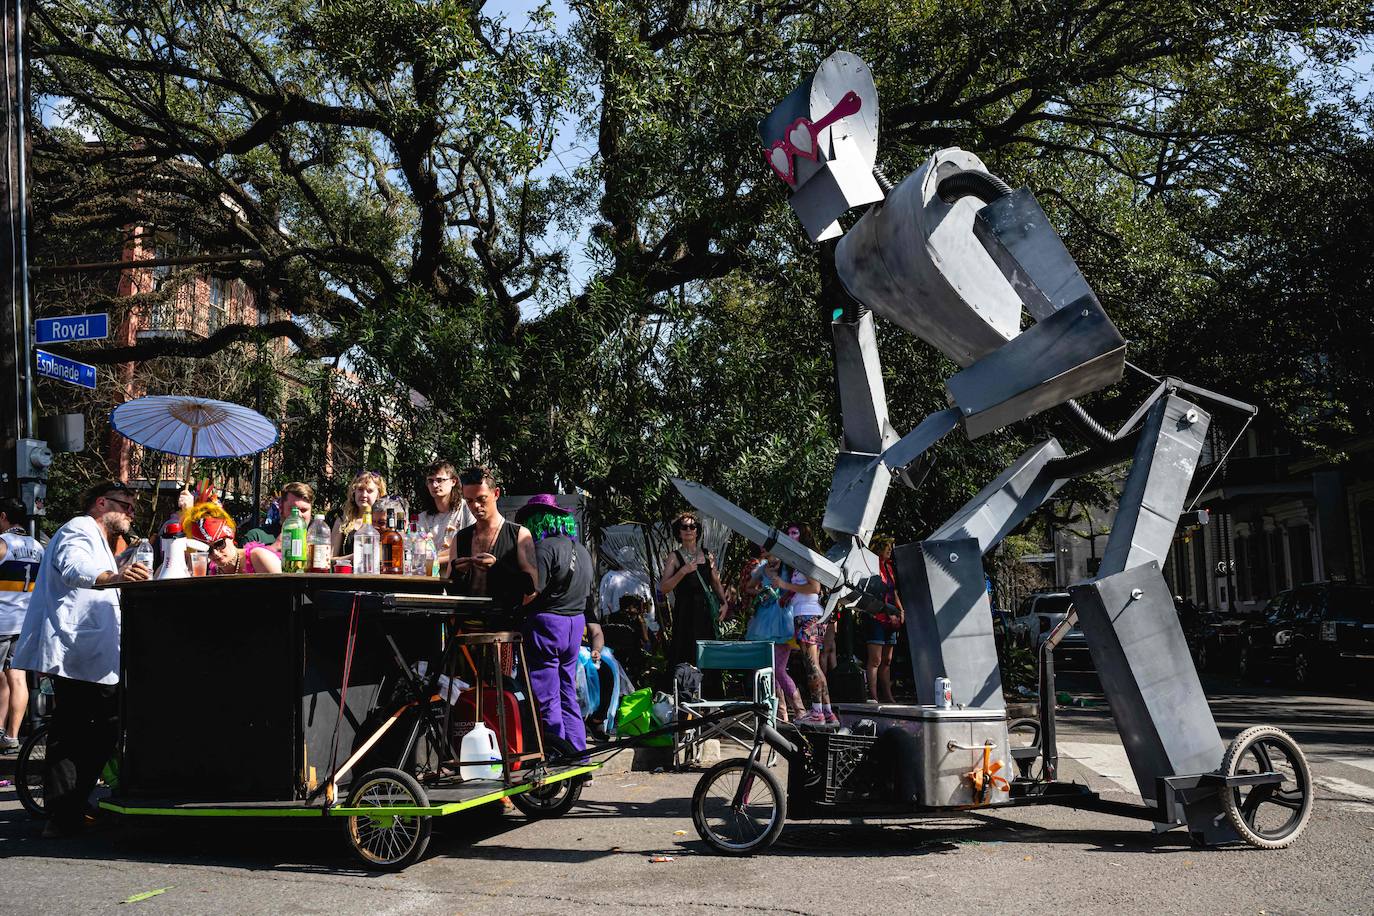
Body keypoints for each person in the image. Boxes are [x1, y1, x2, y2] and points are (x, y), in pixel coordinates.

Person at [12, 481, 151, 837]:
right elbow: (73, 568)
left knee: (93, 731)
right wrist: (115, 575)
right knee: (77, 732)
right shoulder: (78, 528)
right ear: (102, 503)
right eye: (127, 505)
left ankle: (71, 807)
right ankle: (63, 815)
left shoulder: (99, 539)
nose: (131, 513)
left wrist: (120, 564)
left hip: (90, 655)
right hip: (77, 652)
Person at [516, 494, 594, 752]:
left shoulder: (544, 548)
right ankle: (578, 755)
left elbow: (531, 592)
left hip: (548, 625)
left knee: (546, 695)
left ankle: (556, 755)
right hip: (575, 624)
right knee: (567, 693)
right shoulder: (581, 550)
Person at [449, 467, 537, 622]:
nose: (475, 506)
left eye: (481, 499)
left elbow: (532, 589)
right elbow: (448, 586)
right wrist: (458, 571)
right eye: (469, 501)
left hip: (504, 625)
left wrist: (499, 568)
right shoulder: (461, 537)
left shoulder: (519, 534)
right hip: (465, 624)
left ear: (496, 494)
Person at [767, 522, 834, 724]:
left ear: (803, 536)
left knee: (811, 665)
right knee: (815, 667)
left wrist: (785, 585)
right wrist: (788, 595)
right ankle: (827, 711)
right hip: (805, 614)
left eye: (794, 532)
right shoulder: (799, 562)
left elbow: (814, 587)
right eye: (788, 533)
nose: (790, 536)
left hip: (808, 616)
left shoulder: (806, 559)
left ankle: (816, 713)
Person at [660, 512, 727, 672]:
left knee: (706, 651)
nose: (689, 530)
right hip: (685, 612)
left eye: (692, 526)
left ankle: (709, 691)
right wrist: (683, 571)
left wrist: (724, 603)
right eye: (684, 527)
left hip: (704, 612)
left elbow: (715, 582)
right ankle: (684, 689)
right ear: (679, 532)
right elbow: (664, 587)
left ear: (697, 531)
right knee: (684, 651)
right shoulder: (674, 557)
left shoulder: (707, 555)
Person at [0, 498, 42, 751]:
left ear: (3, 516)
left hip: (1, 621)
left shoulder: (3, 544)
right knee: (17, 678)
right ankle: (12, 736)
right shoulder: (38, 546)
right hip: (25, 622)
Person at [184, 502, 282, 574]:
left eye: (219, 544)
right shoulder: (212, 571)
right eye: (207, 549)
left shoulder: (258, 557)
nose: (215, 553)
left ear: (230, 535)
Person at [864, 534, 904, 704]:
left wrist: (901, 610)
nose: (890, 550)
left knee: (887, 660)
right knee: (876, 659)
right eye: (887, 546)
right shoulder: (873, 567)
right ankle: (873, 695)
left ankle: (887, 695)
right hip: (877, 616)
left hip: (891, 617)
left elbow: (893, 591)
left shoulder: (889, 567)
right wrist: (889, 613)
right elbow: (875, 593)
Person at [416, 461, 473, 574]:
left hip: (460, 576)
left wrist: (434, 559)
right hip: (429, 578)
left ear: (453, 481)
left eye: (440, 480)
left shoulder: (467, 508)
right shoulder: (422, 518)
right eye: (430, 481)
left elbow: (471, 548)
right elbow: (418, 555)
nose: (435, 485)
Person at [239, 482, 315, 546]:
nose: (298, 515)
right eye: (293, 509)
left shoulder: (318, 541)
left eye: (304, 510)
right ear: (281, 508)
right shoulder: (257, 537)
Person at [331, 471, 386, 558]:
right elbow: (329, 560)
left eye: (369, 491)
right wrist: (354, 557)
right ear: (354, 492)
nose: (364, 494)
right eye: (360, 489)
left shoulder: (383, 522)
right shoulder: (343, 522)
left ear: (379, 494)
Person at [597, 546, 653, 623]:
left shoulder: (609, 577)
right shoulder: (642, 577)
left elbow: (604, 603)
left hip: (618, 622)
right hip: (637, 622)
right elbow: (649, 603)